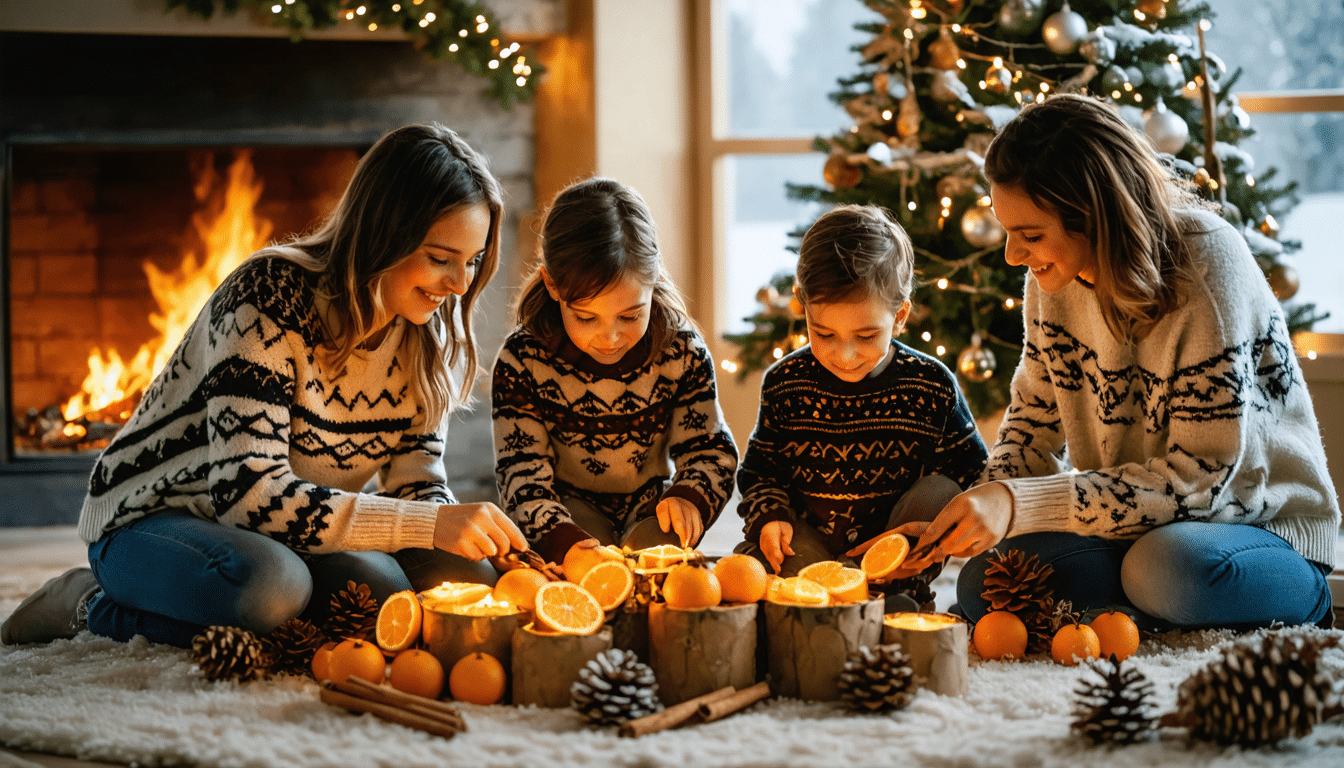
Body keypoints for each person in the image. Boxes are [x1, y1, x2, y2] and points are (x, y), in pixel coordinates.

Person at [1, 123, 528, 649]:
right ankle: (89, 602)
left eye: (473, 260)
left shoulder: (426, 331)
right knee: (271, 591)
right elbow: (248, 495)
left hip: (288, 528)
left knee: (434, 593)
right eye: (441, 259)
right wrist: (430, 525)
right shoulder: (269, 295)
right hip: (159, 516)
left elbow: (417, 484)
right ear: (383, 234)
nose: (460, 285)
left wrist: (465, 532)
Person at [906, 93, 1338, 630]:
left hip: (1257, 524)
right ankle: (1149, 615)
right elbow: (1031, 426)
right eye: (1008, 230)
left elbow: (1199, 485)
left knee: (1166, 570)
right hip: (1133, 527)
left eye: (1031, 235)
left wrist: (1019, 504)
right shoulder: (1052, 280)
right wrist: (980, 507)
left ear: (1095, 216)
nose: (1014, 255)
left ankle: (1298, 600)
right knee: (987, 582)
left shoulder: (1207, 265)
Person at [735, 204, 988, 609]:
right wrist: (769, 517)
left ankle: (895, 592)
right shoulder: (785, 383)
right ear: (804, 308)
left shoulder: (932, 385)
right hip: (808, 545)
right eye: (825, 333)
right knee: (783, 579)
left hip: (892, 549)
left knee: (941, 489)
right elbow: (760, 473)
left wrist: (930, 540)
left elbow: (973, 474)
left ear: (900, 317)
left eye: (867, 336)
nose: (845, 355)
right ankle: (812, 594)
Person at [491, 177, 738, 567]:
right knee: (593, 570)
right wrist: (563, 542)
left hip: (654, 505)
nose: (609, 338)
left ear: (653, 282)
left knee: (657, 570)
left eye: (630, 315)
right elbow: (521, 474)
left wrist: (690, 497)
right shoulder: (523, 360)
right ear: (552, 286)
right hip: (565, 508)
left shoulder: (682, 350)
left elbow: (710, 450)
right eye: (585, 317)